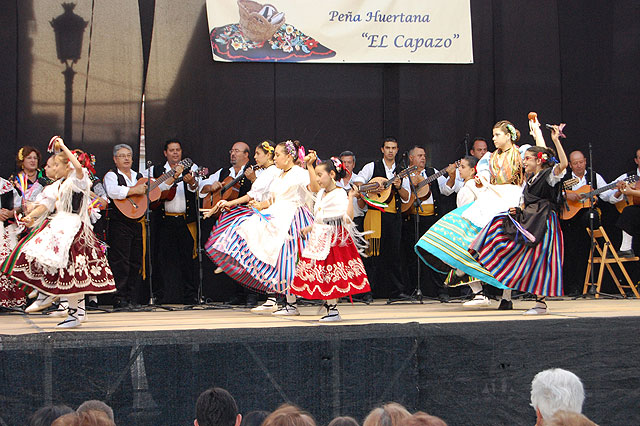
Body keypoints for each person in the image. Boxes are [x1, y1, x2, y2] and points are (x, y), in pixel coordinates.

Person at [415, 119, 543, 310]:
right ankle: (463, 268)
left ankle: (506, 296)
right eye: (493, 135)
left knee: (507, 248)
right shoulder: (490, 157)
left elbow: (542, 153)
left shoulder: (520, 152)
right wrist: (483, 183)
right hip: (493, 197)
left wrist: (537, 132)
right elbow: (485, 177)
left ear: (508, 136)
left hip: (512, 198)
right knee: (465, 228)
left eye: (497, 135)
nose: (494, 138)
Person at [1, 137, 116, 327]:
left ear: (64, 166)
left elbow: (78, 167)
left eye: (52, 165)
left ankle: (56, 301)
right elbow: (44, 204)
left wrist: (62, 146)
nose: (49, 169)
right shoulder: (57, 185)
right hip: (60, 227)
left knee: (70, 272)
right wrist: (30, 217)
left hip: (73, 229)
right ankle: (66, 305)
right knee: (40, 255)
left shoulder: (78, 179)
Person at [207, 140, 313, 315]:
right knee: (276, 257)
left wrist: (309, 166)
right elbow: (274, 198)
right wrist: (262, 205)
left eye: (278, 155)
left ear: (288, 157)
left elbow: (312, 189)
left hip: (293, 218)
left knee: (289, 262)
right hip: (278, 215)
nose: (275, 158)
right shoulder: (280, 175)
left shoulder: (299, 173)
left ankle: (305, 303)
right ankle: (288, 303)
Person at [471, 125, 568, 314]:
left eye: (527, 159)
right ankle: (484, 255)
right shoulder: (530, 179)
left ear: (539, 161)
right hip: (530, 220)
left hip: (544, 223)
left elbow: (562, 164)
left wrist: (555, 140)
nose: (523, 161)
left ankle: (540, 303)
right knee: (499, 222)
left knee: (542, 260)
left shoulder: (549, 176)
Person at [290, 153, 370, 321]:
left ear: (332, 174)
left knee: (330, 274)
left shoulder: (340, 193)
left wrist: (350, 198)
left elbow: (347, 218)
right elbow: (321, 217)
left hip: (334, 238)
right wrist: (309, 228)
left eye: (320, 175)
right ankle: (329, 307)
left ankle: (333, 310)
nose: (318, 179)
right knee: (322, 274)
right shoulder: (321, 194)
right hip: (320, 236)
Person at [203, 141, 279, 307]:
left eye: (258, 154)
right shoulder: (266, 172)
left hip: (271, 215)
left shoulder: (273, 172)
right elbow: (252, 195)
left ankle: (275, 296)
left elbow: (266, 196)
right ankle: (233, 257)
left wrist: (236, 202)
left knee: (267, 253)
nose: (255, 157)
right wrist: (228, 203)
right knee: (259, 250)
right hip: (261, 213)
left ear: (268, 155)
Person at [354, 137, 411, 300]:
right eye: (388, 148)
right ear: (382, 149)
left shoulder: (401, 171)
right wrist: (372, 187)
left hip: (393, 217)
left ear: (397, 150)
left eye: (393, 148)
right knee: (372, 255)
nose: (391, 151)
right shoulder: (372, 167)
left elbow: (407, 197)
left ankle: (396, 292)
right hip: (375, 215)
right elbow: (358, 184)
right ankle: (367, 292)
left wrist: (399, 186)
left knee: (394, 255)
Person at [200, 141, 254, 305]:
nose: (233, 154)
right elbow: (201, 187)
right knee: (233, 258)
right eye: (232, 151)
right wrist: (212, 186)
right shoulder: (224, 172)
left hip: (247, 219)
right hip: (228, 221)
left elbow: (262, 190)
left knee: (248, 258)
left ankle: (251, 294)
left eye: (237, 151)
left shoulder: (251, 171)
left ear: (246, 155)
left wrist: (254, 179)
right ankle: (237, 293)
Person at [402, 146, 457, 300]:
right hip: (413, 220)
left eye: (424, 155)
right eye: (419, 155)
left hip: (432, 218)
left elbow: (447, 190)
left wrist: (451, 176)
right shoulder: (404, 175)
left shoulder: (432, 172)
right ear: (411, 158)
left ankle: (441, 290)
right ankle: (413, 290)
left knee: (435, 253)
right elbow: (404, 198)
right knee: (413, 258)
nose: (423, 158)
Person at [148, 139, 200, 304]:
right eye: (172, 150)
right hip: (164, 220)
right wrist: (174, 176)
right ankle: (159, 295)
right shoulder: (155, 170)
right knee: (161, 259)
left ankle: (190, 295)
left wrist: (191, 181)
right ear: (165, 153)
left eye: (178, 150)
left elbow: (197, 189)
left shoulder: (191, 168)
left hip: (184, 220)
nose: (175, 153)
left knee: (188, 259)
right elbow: (154, 191)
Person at [560, 150, 618, 295]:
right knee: (570, 252)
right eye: (575, 163)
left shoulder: (594, 177)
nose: (579, 166)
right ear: (570, 165)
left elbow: (607, 196)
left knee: (590, 219)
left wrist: (618, 191)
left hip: (587, 220)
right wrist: (569, 194)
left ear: (585, 161)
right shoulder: (565, 178)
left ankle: (588, 285)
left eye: (581, 162)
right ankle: (572, 287)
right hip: (569, 221)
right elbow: (556, 192)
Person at [104, 144, 148, 309]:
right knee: (120, 261)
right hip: (119, 223)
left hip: (137, 222)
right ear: (115, 159)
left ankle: (131, 297)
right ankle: (119, 297)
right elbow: (113, 191)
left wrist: (172, 177)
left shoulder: (139, 176)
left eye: (129, 155)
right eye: (122, 156)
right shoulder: (111, 175)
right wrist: (134, 190)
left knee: (136, 260)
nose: (127, 158)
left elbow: (155, 190)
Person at [338, 150, 372, 304]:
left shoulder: (359, 181)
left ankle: (361, 292)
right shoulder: (334, 181)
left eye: (349, 162)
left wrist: (358, 196)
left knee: (358, 258)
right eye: (343, 162)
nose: (346, 165)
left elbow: (363, 206)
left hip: (356, 221)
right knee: (340, 258)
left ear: (354, 164)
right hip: (338, 223)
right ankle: (341, 290)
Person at [610, 148, 640, 257]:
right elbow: (611, 199)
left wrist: (631, 192)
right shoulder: (628, 177)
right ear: (636, 160)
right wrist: (619, 191)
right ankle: (625, 248)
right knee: (628, 211)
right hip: (635, 216)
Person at [0, 175, 25, 308]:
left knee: (9, 261)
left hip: (6, 229)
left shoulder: (6, 185)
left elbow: (19, 205)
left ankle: (10, 301)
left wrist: (10, 213)